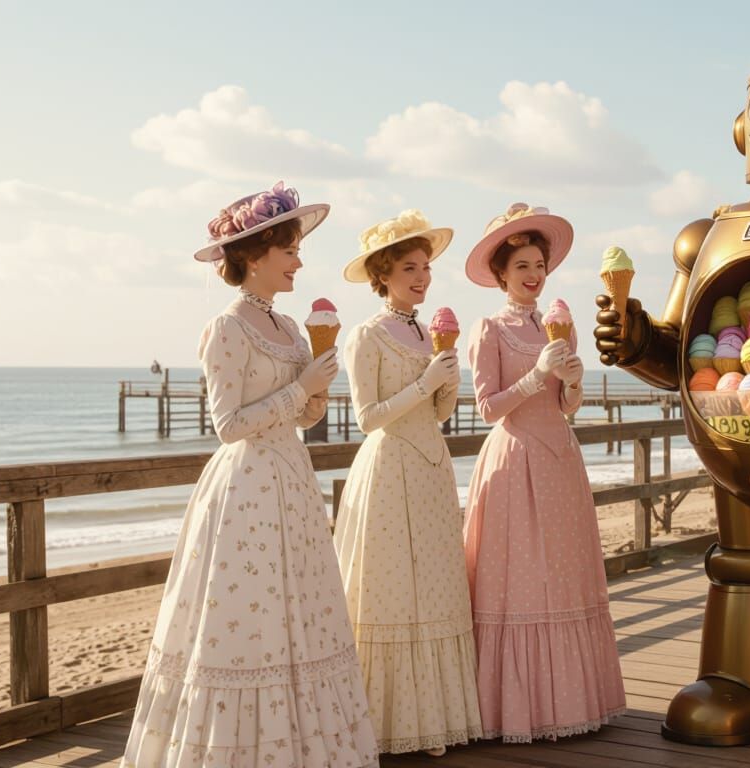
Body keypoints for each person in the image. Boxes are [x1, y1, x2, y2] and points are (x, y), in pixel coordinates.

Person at [123, 182, 378, 767]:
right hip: (246, 492)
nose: (299, 260)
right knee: (250, 622)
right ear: (255, 256)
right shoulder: (227, 328)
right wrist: (300, 390)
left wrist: (315, 395)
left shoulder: (290, 328)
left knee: (301, 617)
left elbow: (303, 415)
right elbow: (228, 425)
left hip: (291, 480)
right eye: (289, 249)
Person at [462, 203, 626, 742]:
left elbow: (566, 406)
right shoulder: (489, 329)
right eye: (522, 268)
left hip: (560, 459)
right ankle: (516, 711)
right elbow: (487, 407)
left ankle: (573, 701)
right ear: (502, 276)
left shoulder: (559, 325)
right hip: (514, 462)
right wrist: (537, 375)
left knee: (562, 576)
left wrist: (573, 381)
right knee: (520, 583)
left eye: (538, 265)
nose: (533, 276)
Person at [332, 211, 481, 756]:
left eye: (425, 267)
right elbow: (368, 417)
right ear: (384, 274)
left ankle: (433, 719)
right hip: (389, 468)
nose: (422, 277)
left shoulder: (424, 330)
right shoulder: (366, 335)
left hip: (430, 468)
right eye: (410, 267)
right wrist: (425, 382)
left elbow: (437, 413)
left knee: (436, 587)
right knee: (388, 590)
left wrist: (448, 379)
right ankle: (384, 723)